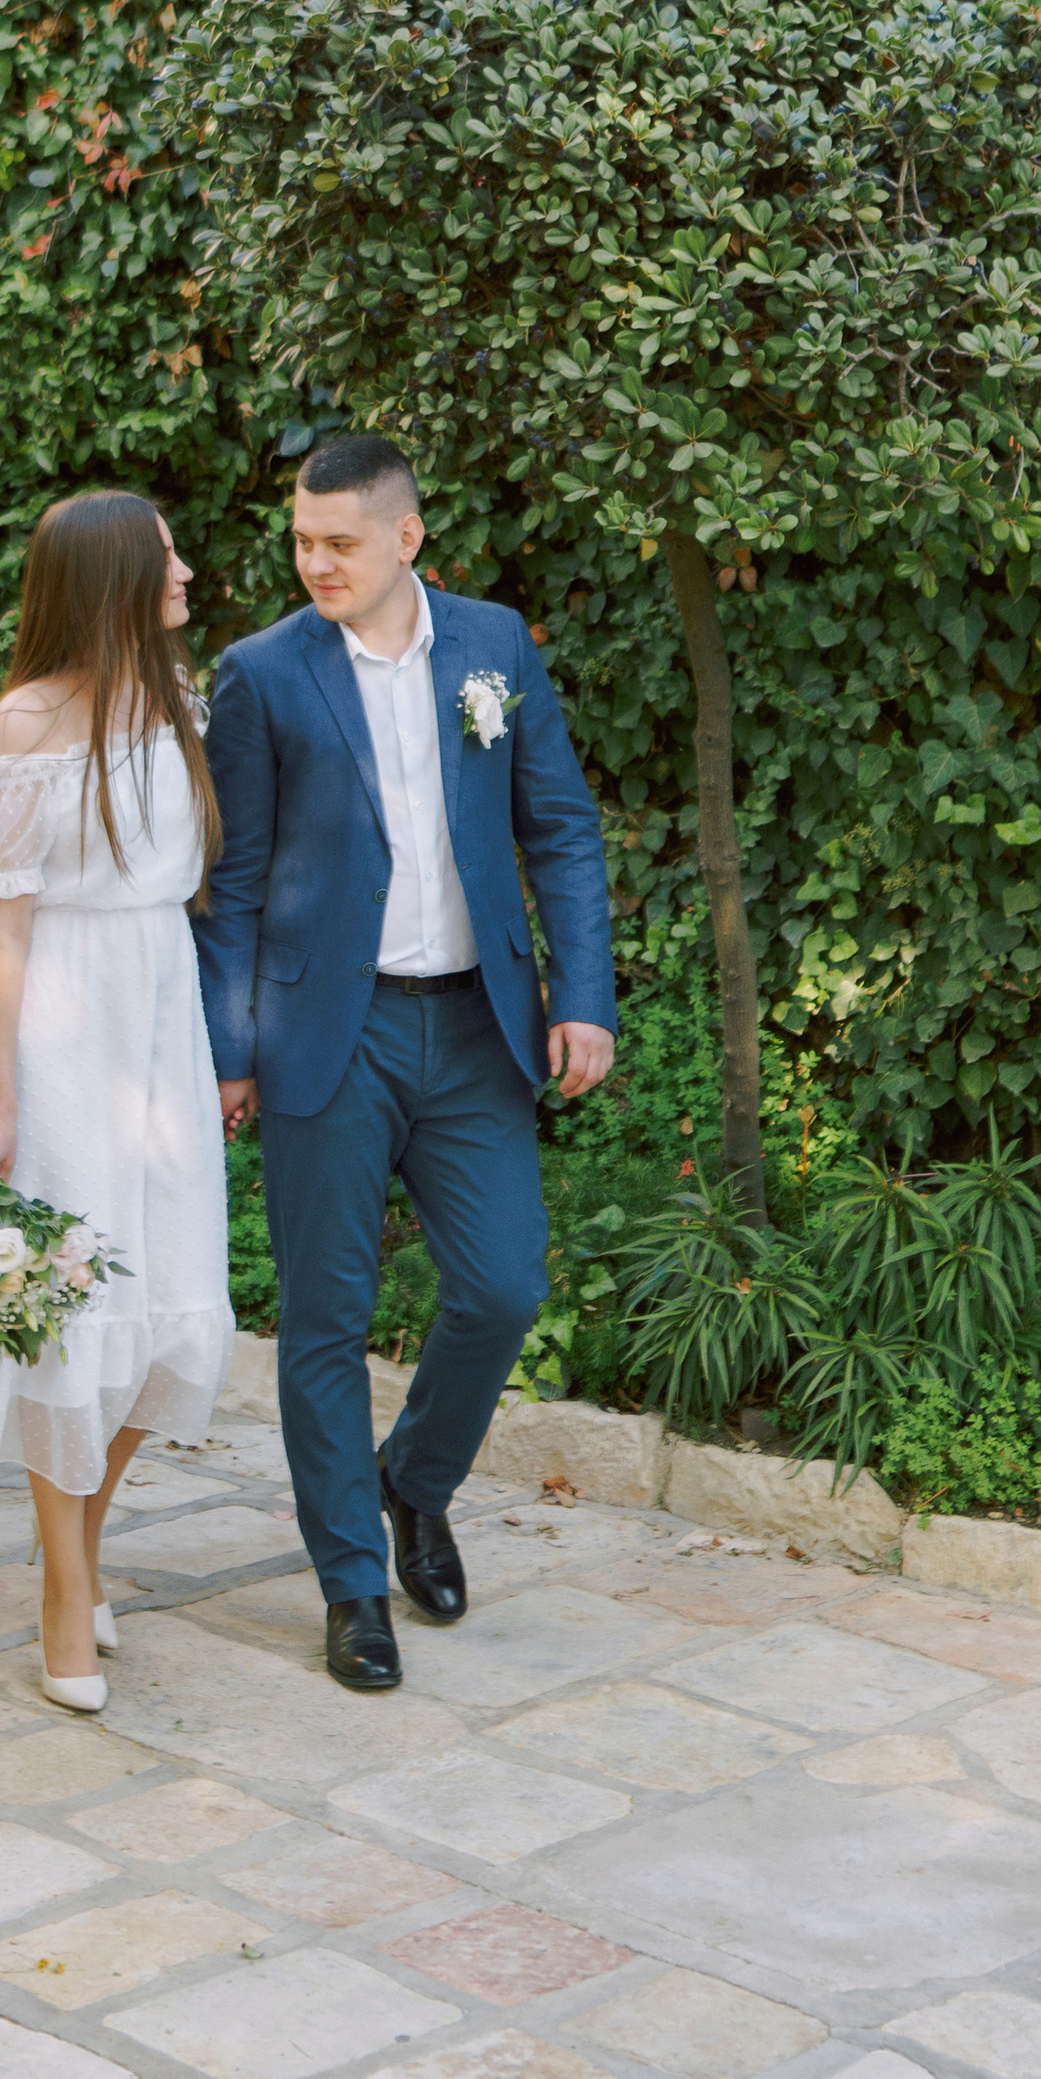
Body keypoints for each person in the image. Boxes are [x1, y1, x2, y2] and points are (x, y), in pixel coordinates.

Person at [198, 431, 617, 1691]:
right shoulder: (261, 675)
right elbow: (232, 883)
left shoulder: (492, 648)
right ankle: (350, 1586)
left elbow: (562, 830)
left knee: (502, 1287)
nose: (314, 562)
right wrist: (230, 1047)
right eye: (300, 541)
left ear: (404, 538)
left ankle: (413, 1483)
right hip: (329, 1029)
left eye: (338, 542)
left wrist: (581, 998)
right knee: (323, 1319)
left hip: (477, 1024)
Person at [0, 492, 232, 1714]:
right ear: (113, 582)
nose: (186, 569)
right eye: (165, 554)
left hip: (159, 1023)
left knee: (169, 1316)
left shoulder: (179, 701)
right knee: (62, 1312)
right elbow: (2, 936)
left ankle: (75, 1547)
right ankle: (65, 1592)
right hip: (65, 1029)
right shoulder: (25, 728)